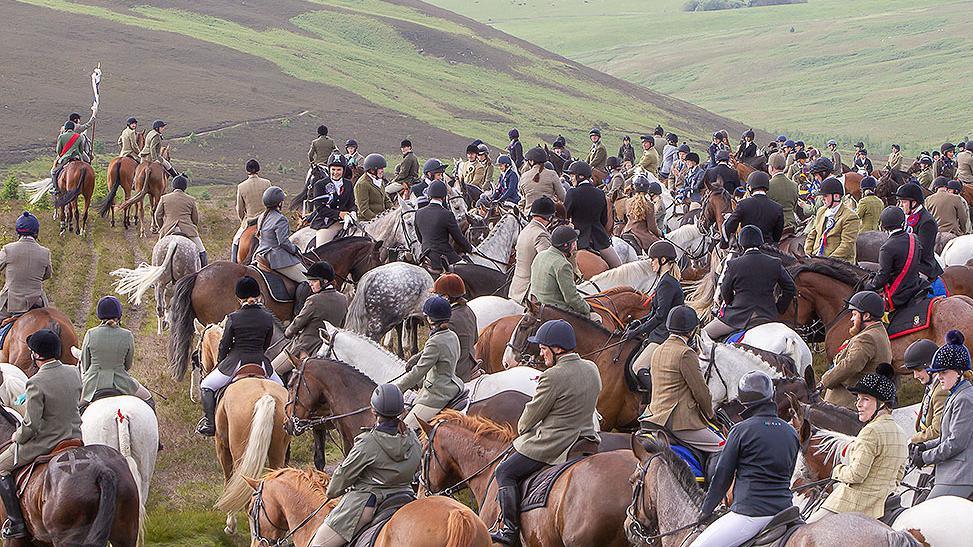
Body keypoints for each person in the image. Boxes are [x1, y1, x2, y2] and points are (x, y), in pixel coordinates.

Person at [490, 319, 601, 545]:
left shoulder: (552, 377)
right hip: (587, 439)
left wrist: (525, 427)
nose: (541, 355)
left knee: (505, 472)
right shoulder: (592, 368)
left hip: (555, 445)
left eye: (543, 349)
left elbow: (527, 420)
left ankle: (510, 531)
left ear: (557, 349)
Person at [691, 371, 799, 547]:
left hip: (750, 514)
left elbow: (722, 476)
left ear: (743, 402)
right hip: (785, 512)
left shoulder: (741, 431)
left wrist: (705, 511)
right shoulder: (791, 432)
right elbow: (788, 474)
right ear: (771, 395)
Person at [308, 383, 420, 547]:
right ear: (401, 411)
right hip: (406, 497)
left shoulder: (368, 442)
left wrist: (332, 491)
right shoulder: (412, 438)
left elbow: (343, 476)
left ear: (374, 411)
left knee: (317, 545)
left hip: (369, 503)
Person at [0, 329, 81, 540]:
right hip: (74, 437)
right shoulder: (74, 372)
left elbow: (32, 425)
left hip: (47, 442)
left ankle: (16, 522)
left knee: (1, 466)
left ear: (36, 355)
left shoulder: (35, 382)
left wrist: (17, 437)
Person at [808, 363, 907, 523]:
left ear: (882, 403)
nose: (858, 404)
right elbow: (899, 475)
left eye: (865, 399)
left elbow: (856, 475)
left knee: (806, 529)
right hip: (885, 502)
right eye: (858, 399)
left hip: (854, 503)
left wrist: (837, 470)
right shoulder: (900, 432)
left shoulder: (870, 431)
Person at [197, 277, 283, 436]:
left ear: (239, 297)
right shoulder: (267, 317)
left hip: (235, 361)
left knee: (206, 385)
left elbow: (224, 345)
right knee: (283, 390)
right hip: (261, 362)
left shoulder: (233, 318)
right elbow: (266, 344)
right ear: (257, 296)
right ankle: (288, 422)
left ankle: (209, 423)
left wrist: (221, 362)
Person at [642, 306, 723, 468]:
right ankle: (714, 491)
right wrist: (710, 414)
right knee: (723, 447)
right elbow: (700, 392)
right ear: (692, 331)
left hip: (654, 415)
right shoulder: (686, 353)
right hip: (679, 422)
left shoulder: (658, 350)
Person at [703, 226, 795, 340]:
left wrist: (731, 302)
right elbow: (790, 288)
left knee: (705, 333)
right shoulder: (774, 262)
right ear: (761, 242)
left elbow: (724, 290)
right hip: (767, 314)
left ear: (741, 244)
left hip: (738, 315)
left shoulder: (733, 264)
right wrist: (779, 308)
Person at [912, 330, 973, 499]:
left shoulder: (965, 399)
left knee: (925, 516)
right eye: (938, 373)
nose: (939, 377)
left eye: (943, 372)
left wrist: (925, 457)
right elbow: (946, 436)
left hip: (960, 476)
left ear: (959, 372)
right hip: (949, 472)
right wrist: (924, 446)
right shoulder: (955, 394)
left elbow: (956, 443)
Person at [393, 296, 464, 430]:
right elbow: (441, 353)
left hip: (437, 394)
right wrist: (417, 356)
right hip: (453, 384)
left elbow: (418, 372)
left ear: (430, 319)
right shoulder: (451, 335)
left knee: (405, 430)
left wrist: (397, 389)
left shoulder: (435, 342)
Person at [271, 262, 348, 378]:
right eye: (310, 281)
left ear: (325, 281)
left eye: (314, 281)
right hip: (328, 348)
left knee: (273, 371)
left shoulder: (314, 300)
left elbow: (298, 323)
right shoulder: (343, 299)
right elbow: (342, 325)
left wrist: (287, 332)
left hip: (306, 346)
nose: (310, 284)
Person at [625, 241, 684, 390]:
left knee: (638, 367)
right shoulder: (664, 281)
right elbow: (654, 312)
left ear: (662, 260)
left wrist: (638, 331)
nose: (651, 263)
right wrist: (639, 323)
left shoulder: (667, 283)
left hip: (665, 333)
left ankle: (659, 399)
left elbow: (660, 315)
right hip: (661, 329)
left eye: (653, 260)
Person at [819, 291, 892, 410]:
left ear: (866, 316)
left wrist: (824, 382)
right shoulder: (879, 332)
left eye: (854, 314)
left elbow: (850, 365)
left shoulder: (866, 338)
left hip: (846, 406)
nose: (852, 319)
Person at [79, 296, 154, 409]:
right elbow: (128, 365)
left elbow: (85, 365)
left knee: (72, 410)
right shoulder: (127, 335)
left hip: (93, 384)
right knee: (148, 398)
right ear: (119, 314)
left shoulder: (90, 334)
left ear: (100, 314)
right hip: (121, 382)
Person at [864, 207, 927, 315]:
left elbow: (882, 277)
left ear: (883, 226)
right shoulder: (914, 238)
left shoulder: (886, 247)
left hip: (898, 295)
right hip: (916, 286)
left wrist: (867, 286)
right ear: (903, 223)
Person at [564, 160, 621, 268]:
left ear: (580, 177)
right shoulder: (600, 193)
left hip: (578, 239)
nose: (571, 179)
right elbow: (604, 220)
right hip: (600, 239)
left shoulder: (572, 193)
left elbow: (565, 215)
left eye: (572, 176)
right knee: (618, 267)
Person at [529, 226, 593, 318]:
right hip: (555, 312)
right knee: (596, 319)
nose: (575, 246)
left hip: (537, 307)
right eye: (574, 243)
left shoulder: (540, 255)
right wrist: (587, 308)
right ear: (566, 246)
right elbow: (571, 298)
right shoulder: (563, 265)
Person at [0, 212, 52, 321]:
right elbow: (47, 275)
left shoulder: (8, 249)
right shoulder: (45, 252)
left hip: (11, 303)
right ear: (36, 232)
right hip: (37, 302)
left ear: (17, 232)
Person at [414, 181, 472, 273]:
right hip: (443, 256)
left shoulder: (418, 213)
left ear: (429, 196)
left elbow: (420, 238)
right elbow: (458, 238)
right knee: (469, 270)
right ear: (444, 197)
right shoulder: (447, 214)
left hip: (425, 256)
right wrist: (471, 249)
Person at [255, 186, 307, 287]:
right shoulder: (280, 219)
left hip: (260, 253)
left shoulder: (262, 216)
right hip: (276, 258)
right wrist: (294, 249)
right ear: (279, 203)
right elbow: (283, 242)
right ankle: (300, 303)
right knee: (307, 281)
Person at [432, 274, 479, 381]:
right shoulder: (469, 311)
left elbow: (435, 351)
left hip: (456, 372)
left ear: (446, 298)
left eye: (437, 295)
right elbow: (476, 338)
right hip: (470, 364)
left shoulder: (448, 321)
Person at [804, 175, 861, 263]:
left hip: (838, 263)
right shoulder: (821, 211)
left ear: (837, 196)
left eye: (825, 196)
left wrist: (826, 261)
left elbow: (846, 245)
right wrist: (808, 255)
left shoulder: (850, 217)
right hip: (816, 258)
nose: (823, 199)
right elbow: (812, 235)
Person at [896, 183, 943, 284]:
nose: (901, 205)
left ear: (914, 203)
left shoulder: (927, 222)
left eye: (903, 202)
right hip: (907, 263)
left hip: (922, 266)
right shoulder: (907, 217)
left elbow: (923, 251)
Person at [509, 197, 553, 304]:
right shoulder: (541, 235)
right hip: (530, 293)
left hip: (516, 287)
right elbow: (546, 264)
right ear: (550, 217)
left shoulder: (525, 230)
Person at [155, 174, 206, 266]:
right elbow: (195, 219)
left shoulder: (164, 198)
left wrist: (162, 227)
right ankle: (203, 271)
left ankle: (154, 269)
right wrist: (191, 226)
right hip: (187, 230)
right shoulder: (191, 200)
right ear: (185, 187)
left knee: (157, 250)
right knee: (202, 251)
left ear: (173, 186)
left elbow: (158, 215)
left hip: (168, 229)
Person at [903, 339, 947, 446]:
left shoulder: (941, 391)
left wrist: (911, 441)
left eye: (918, 370)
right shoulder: (931, 383)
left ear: (931, 366)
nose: (915, 376)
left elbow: (937, 431)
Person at [722, 172, 784, 245]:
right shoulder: (777, 207)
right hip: (768, 248)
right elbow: (777, 234)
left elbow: (730, 225)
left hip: (747, 247)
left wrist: (724, 243)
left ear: (750, 187)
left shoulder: (743, 204)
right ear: (767, 188)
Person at [310, 154, 356, 248]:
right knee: (322, 250)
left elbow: (351, 203)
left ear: (343, 170)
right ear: (329, 169)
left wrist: (353, 212)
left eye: (339, 170)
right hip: (326, 223)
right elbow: (320, 209)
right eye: (333, 169)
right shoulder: (320, 185)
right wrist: (340, 214)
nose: (336, 172)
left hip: (345, 222)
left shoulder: (348, 184)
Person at [232, 159, 272, 263]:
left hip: (250, 221)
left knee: (236, 242)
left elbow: (240, 209)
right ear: (258, 169)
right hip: (266, 220)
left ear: (247, 170)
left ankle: (234, 265)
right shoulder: (267, 183)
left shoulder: (241, 186)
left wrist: (243, 221)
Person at [620, 176, 663, 252]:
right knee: (660, 249)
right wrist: (660, 233)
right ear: (647, 190)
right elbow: (652, 227)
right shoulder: (649, 205)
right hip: (642, 236)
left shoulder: (627, 202)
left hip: (626, 232)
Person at [765, 152, 800, 233]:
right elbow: (794, 207)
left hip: (774, 226)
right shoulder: (794, 185)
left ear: (772, 168)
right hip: (792, 224)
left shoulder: (768, 185)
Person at [354, 154, 393, 221]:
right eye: (380, 169)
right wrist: (378, 220)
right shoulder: (362, 184)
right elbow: (364, 210)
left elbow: (386, 200)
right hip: (368, 221)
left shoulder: (379, 180)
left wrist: (393, 211)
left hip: (382, 218)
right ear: (372, 170)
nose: (382, 171)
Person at [49, 121, 85, 191]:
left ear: (65, 128)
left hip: (66, 159)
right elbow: (81, 150)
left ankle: (55, 189)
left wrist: (61, 155)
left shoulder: (61, 136)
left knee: (53, 172)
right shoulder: (79, 136)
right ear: (73, 128)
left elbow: (58, 151)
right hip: (78, 158)